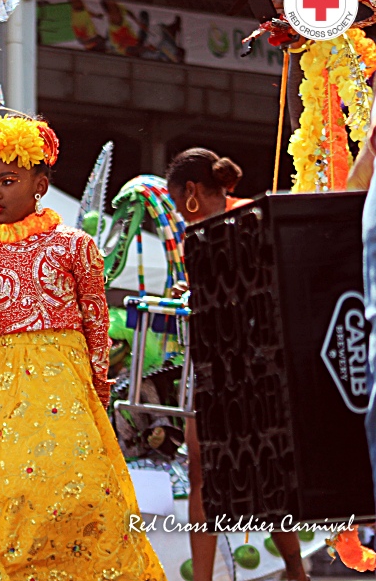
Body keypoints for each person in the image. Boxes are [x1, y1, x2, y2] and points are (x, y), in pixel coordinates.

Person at [0, 114, 166, 580]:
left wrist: (98, 390)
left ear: (40, 185)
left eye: (9, 180)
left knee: (76, 493)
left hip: (66, 390)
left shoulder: (75, 246)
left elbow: (97, 322)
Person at [166, 147, 309, 581]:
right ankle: (295, 572)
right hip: (240, 367)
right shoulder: (240, 220)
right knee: (239, 468)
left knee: (219, 472)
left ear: (191, 192)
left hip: (243, 367)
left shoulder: (239, 222)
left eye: (177, 203)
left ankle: (291, 572)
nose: (178, 214)